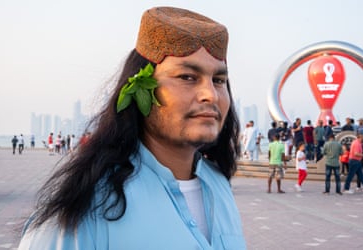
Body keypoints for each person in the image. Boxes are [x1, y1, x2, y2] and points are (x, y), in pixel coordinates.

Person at [18, 7, 246, 249]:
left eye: (219, 80)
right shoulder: (90, 207)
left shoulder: (219, 185)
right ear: (139, 89)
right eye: (187, 77)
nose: (210, 95)